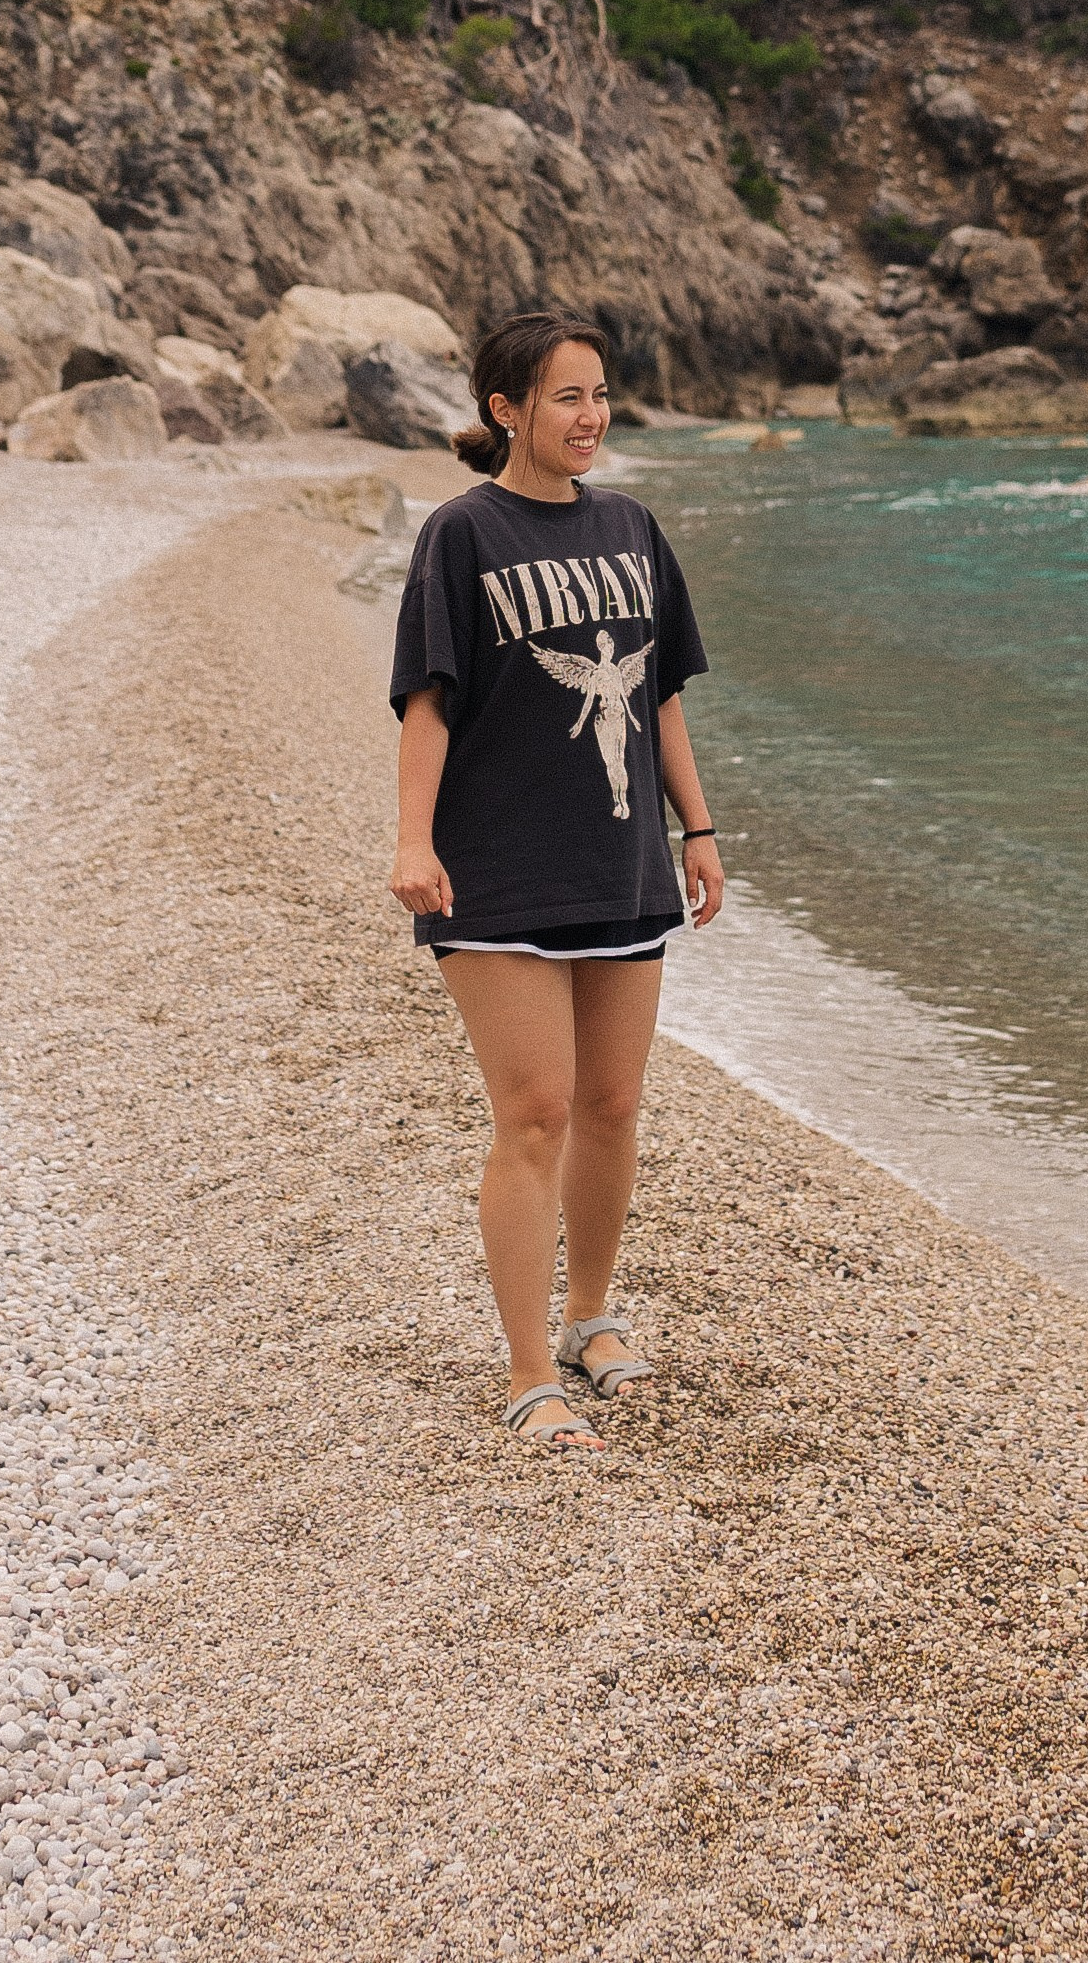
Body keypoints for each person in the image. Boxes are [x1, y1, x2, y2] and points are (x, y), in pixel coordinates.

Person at [388, 309, 725, 1451]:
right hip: (498, 867)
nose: (590, 417)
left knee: (612, 1106)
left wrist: (698, 828)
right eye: (566, 397)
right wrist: (411, 841)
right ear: (506, 412)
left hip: (618, 857)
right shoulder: (461, 535)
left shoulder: (631, 526)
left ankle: (590, 1317)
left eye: (598, 395)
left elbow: (663, 693)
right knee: (532, 1113)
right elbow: (426, 699)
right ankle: (530, 1373)